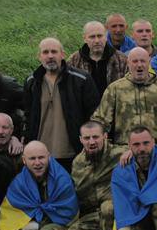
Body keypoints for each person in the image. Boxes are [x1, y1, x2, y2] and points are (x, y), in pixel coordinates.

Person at [94, 48, 157, 160]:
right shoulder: (115, 89)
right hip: (125, 150)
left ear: (149, 62)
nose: (139, 65)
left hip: (156, 149)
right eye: (135, 61)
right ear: (128, 63)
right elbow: (101, 120)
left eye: (143, 61)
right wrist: (99, 143)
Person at [24, 37, 100, 171]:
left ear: (62, 55)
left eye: (54, 52)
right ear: (39, 56)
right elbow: (27, 115)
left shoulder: (81, 79)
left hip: (73, 153)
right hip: (40, 156)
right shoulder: (32, 82)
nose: (50, 56)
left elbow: (94, 114)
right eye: (45, 52)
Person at [63, 120, 121, 230]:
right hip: (93, 215)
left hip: (118, 213)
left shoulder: (120, 154)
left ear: (105, 136)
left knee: (108, 207)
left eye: (95, 137)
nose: (91, 142)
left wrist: (131, 154)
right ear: (80, 140)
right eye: (87, 138)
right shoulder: (78, 163)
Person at [68, 20, 128, 94]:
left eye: (100, 36)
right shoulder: (74, 61)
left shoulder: (122, 60)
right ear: (85, 39)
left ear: (106, 37)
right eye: (92, 37)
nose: (97, 41)